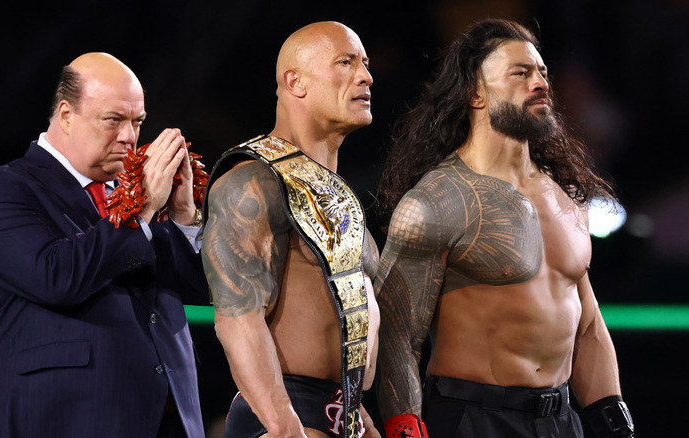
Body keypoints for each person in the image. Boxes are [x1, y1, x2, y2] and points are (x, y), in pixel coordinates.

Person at [375, 19, 634, 438]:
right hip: (473, 419)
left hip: (560, 421)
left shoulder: (565, 197)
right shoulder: (436, 202)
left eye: (543, 72)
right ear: (474, 93)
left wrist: (614, 420)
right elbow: (396, 336)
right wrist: (405, 425)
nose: (540, 83)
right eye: (521, 73)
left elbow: (586, 323)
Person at [0, 52, 209, 437]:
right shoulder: (3, 190)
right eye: (114, 120)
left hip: (168, 419)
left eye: (137, 122)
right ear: (65, 114)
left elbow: (203, 289)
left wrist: (184, 217)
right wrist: (142, 211)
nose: (129, 136)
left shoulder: (143, 194)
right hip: (61, 420)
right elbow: (56, 277)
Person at [201, 22, 381, 438]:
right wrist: (285, 428)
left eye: (366, 64)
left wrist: (359, 416)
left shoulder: (335, 195)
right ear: (294, 81)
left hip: (342, 412)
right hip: (287, 413)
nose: (366, 76)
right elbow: (237, 318)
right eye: (346, 62)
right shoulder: (253, 183)